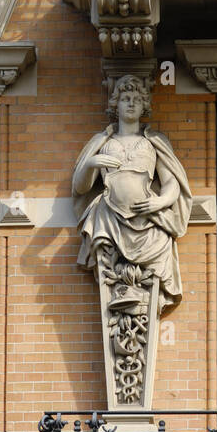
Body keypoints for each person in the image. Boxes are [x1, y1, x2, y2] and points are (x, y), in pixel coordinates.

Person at [71, 75, 192, 314]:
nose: (131, 103)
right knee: (111, 267)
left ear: (144, 104)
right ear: (115, 104)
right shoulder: (102, 141)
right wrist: (90, 164)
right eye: (125, 98)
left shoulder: (154, 142)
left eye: (137, 99)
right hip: (109, 217)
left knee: (149, 274)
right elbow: (81, 187)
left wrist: (160, 201)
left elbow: (171, 183)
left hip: (148, 219)